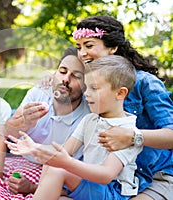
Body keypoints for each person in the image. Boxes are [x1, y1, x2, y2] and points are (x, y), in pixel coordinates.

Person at [40, 15, 173, 199]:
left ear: (113, 47)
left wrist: (132, 136)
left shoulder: (145, 82)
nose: (82, 53)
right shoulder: (92, 83)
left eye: (89, 45)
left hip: (156, 175)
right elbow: (65, 102)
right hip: (113, 179)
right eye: (79, 47)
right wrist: (53, 80)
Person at [6, 55, 142, 199]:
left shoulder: (126, 132)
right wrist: (35, 148)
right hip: (88, 184)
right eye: (87, 87)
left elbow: (106, 175)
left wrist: (67, 162)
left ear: (120, 93)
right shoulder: (89, 119)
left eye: (94, 88)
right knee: (54, 163)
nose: (87, 94)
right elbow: (62, 151)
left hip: (112, 191)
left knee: (59, 169)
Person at [5, 47, 90, 195]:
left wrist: (32, 188)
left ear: (86, 84)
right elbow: (6, 132)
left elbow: (83, 185)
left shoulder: (88, 116)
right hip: (19, 157)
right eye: (62, 71)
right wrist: (24, 122)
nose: (65, 79)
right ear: (54, 73)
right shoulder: (38, 93)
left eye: (76, 76)